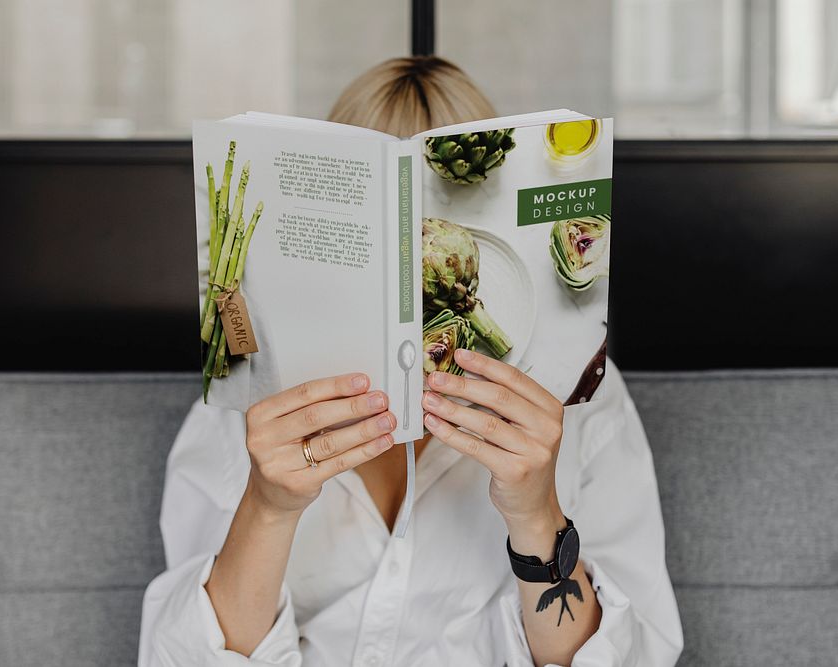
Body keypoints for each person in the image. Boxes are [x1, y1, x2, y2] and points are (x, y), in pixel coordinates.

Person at [139, 56, 683, 667]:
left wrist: (536, 515)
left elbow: (641, 657)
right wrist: (269, 505)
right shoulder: (247, 405)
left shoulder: (585, 400)